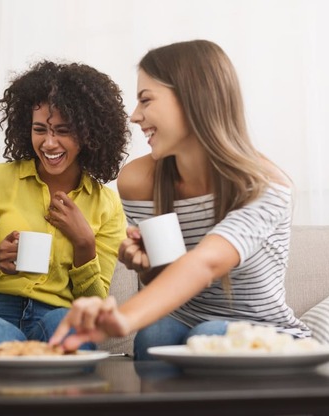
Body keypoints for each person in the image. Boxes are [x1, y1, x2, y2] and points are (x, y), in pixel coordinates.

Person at [50, 40, 311, 360]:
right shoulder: (139, 182)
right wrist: (144, 268)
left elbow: (206, 263)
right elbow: (167, 281)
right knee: (155, 334)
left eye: (146, 100)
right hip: (184, 320)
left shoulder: (264, 186)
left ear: (192, 99)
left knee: (205, 336)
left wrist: (122, 318)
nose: (135, 116)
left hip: (263, 332)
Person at [0, 60, 130, 361]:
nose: (49, 142)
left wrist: (85, 245)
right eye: (39, 129)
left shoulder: (105, 203)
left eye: (63, 131)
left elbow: (94, 302)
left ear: (88, 134)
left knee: (70, 340)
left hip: (59, 312)